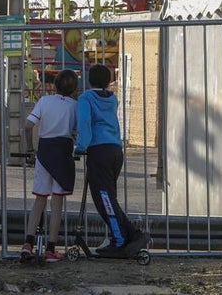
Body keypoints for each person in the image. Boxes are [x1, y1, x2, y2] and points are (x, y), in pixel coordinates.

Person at [74, 63, 150, 257]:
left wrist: (80, 146)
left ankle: (119, 239)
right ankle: (132, 234)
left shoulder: (86, 98)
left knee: (104, 199)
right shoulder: (112, 98)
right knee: (109, 198)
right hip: (115, 149)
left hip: (98, 151)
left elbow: (84, 122)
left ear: (89, 80)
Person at [21, 68, 78, 262]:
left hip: (44, 153)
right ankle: (51, 247)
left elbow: (28, 126)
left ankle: (28, 243)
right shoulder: (74, 106)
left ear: (55, 85)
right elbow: (77, 132)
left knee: (39, 200)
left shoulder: (44, 101)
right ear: (74, 88)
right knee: (57, 203)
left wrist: (30, 149)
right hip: (63, 154)